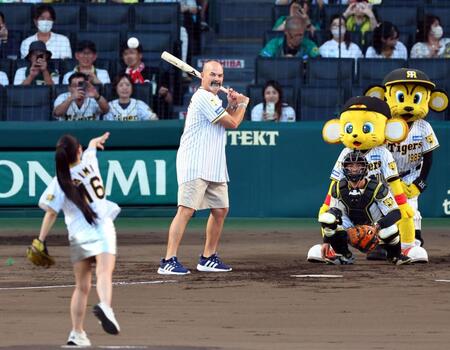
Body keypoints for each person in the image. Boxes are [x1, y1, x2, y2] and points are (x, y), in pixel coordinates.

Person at [157, 60, 249, 275]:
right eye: (213, 75)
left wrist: (232, 104)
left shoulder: (213, 98)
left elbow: (225, 119)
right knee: (186, 210)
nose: (217, 79)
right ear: (203, 76)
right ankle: (168, 260)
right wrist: (243, 104)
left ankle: (208, 257)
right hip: (195, 162)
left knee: (220, 210)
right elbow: (233, 124)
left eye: (220, 76)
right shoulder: (202, 97)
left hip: (213, 164)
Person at [33, 132, 121, 346]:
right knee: (103, 273)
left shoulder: (59, 181)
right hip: (101, 228)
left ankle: (77, 333)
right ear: (79, 151)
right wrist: (95, 142)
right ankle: (105, 307)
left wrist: (41, 240)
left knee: (81, 287)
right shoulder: (90, 164)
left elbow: (50, 212)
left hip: (79, 235)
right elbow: (90, 148)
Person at [315, 151, 411, 265]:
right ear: (344, 168)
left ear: (365, 168)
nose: (354, 169)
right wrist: (326, 241)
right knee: (327, 218)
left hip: (375, 228)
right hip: (350, 227)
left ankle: (395, 256)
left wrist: (376, 227)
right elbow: (333, 212)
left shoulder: (377, 187)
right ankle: (343, 255)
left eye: (358, 165)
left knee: (390, 230)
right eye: (350, 166)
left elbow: (396, 213)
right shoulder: (337, 188)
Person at [120, 40, 173, 118]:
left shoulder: (155, 72)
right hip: (126, 116)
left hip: (151, 115)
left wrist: (164, 94)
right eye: (125, 54)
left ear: (140, 55)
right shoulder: (119, 75)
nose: (129, 57)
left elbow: (170, 99)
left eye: (132, 53)